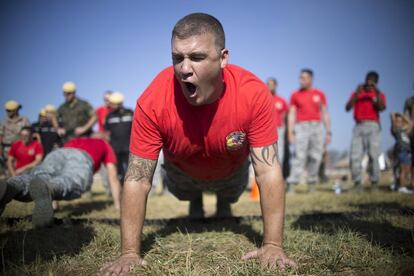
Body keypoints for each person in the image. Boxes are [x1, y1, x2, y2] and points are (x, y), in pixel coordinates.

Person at [101, 13, 296, 275]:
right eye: (177, 58)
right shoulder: (152, 100)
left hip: (231, 174)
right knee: (185, 191)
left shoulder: (253, 93)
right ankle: (194, 200)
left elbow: (268, 170)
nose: (184, 69)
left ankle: (223, 202)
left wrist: (273, 245)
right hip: (182, 176)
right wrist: (129, 253)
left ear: (223, 58)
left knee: (230, 193)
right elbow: (137, 178)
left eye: (197, 57)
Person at [0, 137, 122, 227]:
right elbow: (113, 176)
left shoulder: (77, 139)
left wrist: (52, 204)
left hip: (58, 153)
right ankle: (51, 188)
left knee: (39, 175)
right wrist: (118, 204)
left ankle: (12, 185)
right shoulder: (104, 144)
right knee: (72, 180)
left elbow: (60, 164)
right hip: (81, 157)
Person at [286, 69, 331, 192]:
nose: (301, 80)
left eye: (304, 78)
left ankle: (312, 184)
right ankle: (292, 184)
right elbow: (291, 114)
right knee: (299, 155)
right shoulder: (295, 94)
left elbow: (325, 112)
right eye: (300, 78)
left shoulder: (320, 94)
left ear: (311, 79)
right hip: (301, 127)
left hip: (317, 126)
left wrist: (328, 132)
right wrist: (290, 132)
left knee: (315, 156)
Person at [346, 71, 386, 190]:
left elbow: (382, 107)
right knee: (355, 156)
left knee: (374, 155)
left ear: (376, 82)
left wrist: (377, 93)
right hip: (358, 126)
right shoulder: (357, 92)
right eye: (367, 80)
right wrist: (357, 94)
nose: (369, 83)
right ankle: (357, 183)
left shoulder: (379, 94)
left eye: (372, 81)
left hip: (373, 125)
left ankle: (374, 183)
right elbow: (347, 107)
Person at [104, 92, 133, 183]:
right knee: (119, 173)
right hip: (115, 149)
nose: (111, 105)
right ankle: (121, 191)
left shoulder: (130, 113)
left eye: (113, 104)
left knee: (131, 171)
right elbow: (106, 132)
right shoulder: (109, 116)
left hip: (130, 148)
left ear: (119, 103)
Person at [267, 78, 288, 166]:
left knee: (279, 151)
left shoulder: (282, 100)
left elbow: (285, 116)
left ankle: (279, 174)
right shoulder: (263, 98)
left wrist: (285, 130)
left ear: (276, 86)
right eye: (268, 84)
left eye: (272, 84)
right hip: (266, 129)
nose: (270, 86)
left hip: (278, 129)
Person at [390, 113, 413, 193]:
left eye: (401, 121)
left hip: (407, 152)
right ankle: (401, 187)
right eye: (397, 121)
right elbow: (393, 122)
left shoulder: (404, 131)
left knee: (406, 170)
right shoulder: (395, 130)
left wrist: (402, 115)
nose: (399, 123)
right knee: (403, 170)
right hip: (401, 151)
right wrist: (393, 117)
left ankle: (397, 185)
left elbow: (410, 123)